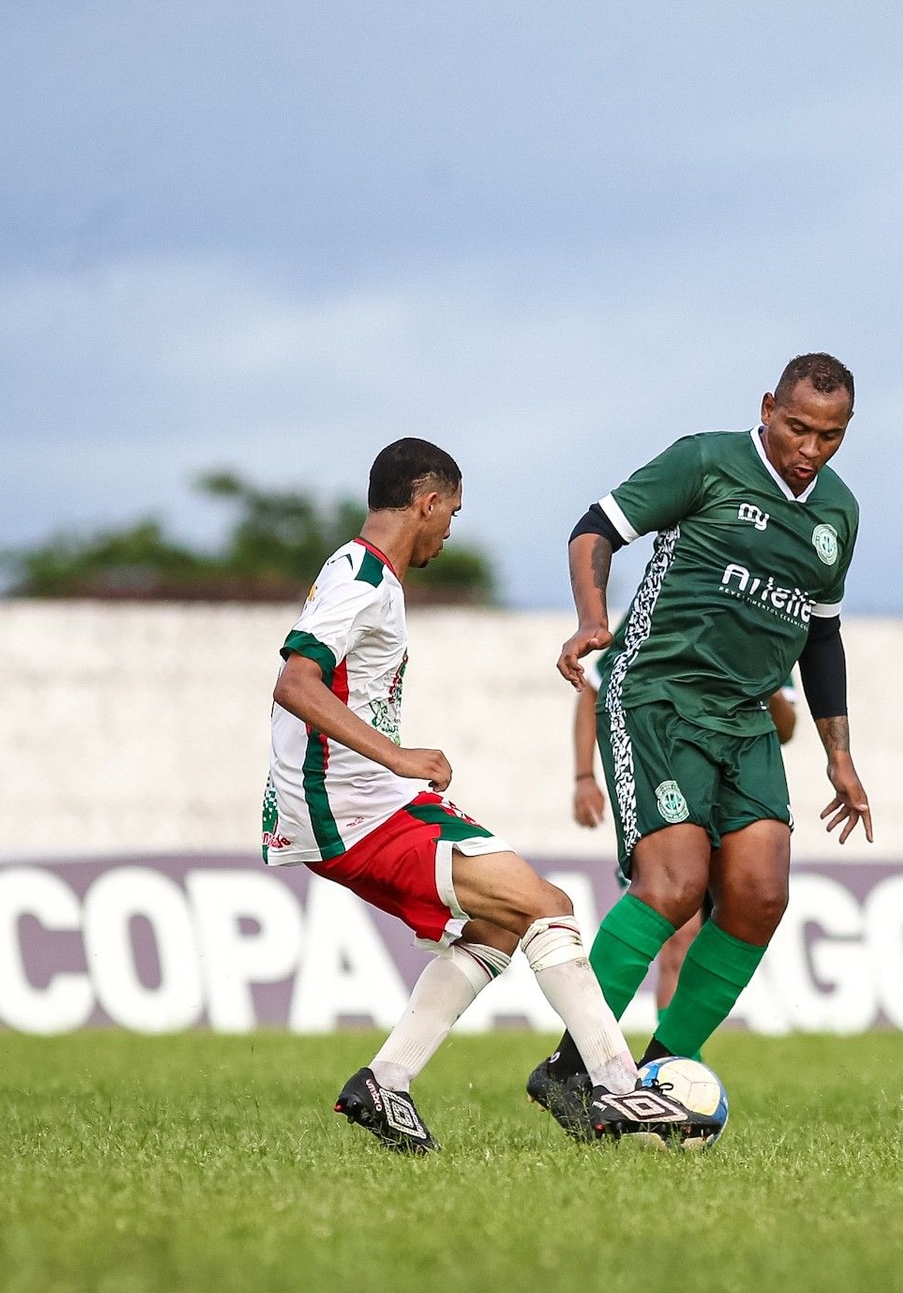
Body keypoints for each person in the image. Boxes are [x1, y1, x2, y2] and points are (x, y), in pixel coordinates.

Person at [264, 437, 701, 1152]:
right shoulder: (362, 578)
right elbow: (295, 682)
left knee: (500, 923)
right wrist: (399, 755)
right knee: (546, 907)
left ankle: (387, 1081)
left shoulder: (364, 572)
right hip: (349, 807)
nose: (448, 530)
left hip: (366, 801)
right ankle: (619, 1089)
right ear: (427, 503)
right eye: (452, 514)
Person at [528, 353, 872, 1134]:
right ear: (767, 408)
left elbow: (822, 638)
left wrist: (839, 754)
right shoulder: (708, 462)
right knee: (676, 882)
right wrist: (591, 617)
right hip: (658, 694)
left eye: (830, 435)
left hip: (746, 716)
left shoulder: (838, 516)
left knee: (760, 894)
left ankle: (658, 1071)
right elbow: (596, 529)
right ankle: (574, 1068)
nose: (809, 449)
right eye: (796, 427)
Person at [574, 669, 799, 1008]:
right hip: (671, 786)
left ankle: (671, 1057)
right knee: (678, 939)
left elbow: (785, 729)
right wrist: (584, 776)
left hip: (735, 808)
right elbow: (595, 685)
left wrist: (768, 686)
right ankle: (586, 1049)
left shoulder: (771, 625)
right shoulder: (669, 616)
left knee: (735, 922)